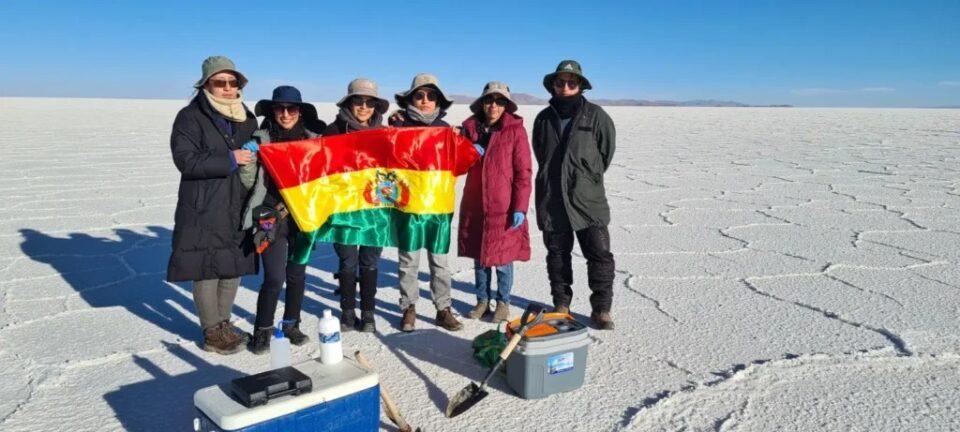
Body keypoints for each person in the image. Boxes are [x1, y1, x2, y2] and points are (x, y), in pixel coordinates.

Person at [167, 56, 258, 354]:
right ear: (206, 84)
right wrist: (230, 159)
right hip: (204, 204)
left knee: (232, 266)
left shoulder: (246, 117)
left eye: (234, 83)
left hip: (237, 202)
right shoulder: (190, 117)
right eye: (220, 83)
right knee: (207, 267)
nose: (228, 89)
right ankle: (211, 330)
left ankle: (224, 323)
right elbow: (186, 160)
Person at [531, 60, 617, 330]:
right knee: (557, 254)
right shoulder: (544, 118)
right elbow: (540, 153)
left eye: (572, 82)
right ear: (553, 86)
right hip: (552, 199)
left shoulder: (596, 116)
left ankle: (601, 309)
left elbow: (605, 153)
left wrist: (583, 177)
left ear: (580, 86)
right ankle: (561, 303)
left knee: (600, 254)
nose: (565, 87)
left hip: (587, 199)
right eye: (560, 82)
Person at [243, 85, 326, 354]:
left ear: (300, 112)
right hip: (271, 216)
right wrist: (248, 158)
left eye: (292, 108)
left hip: (302, 218)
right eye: (280, 109)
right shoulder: (262, 139)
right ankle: (262, 330)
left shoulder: (313, 140)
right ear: (273, 111)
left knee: (297, 274)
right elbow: (248, 180)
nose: (286, 114)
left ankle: (291, 324)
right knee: (275, 277)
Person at [389, 73, 463, 332]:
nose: (425, 101)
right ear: (410, 99)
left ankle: (443, 309)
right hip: (409, 208)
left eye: (431, 96)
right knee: (408, 261)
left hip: (438, 208)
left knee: (440, 263)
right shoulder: (397, 129)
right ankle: (408, 307)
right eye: (419, 95)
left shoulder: (446, 131)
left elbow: (461, 162)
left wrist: (467, 145)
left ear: (438, 101)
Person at [458, 82, 532, 322]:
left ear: (506, 106)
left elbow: (524, 172)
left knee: (502, 259)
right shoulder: (469, 129)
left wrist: (519, 206)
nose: (494, 106)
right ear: (482, 103)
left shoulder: (515, 131)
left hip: (504, 206)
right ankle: (481, 301)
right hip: (476, 203)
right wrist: (468, 150)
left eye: (500, 102)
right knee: (480, 258)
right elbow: (454, 160)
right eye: (490, 100)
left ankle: (503, 302)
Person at [324, 78, 390, 333]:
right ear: (349, 102)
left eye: (369, 102)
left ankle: (368, 312)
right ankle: (348, 312)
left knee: (370, 261)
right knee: (348, 261)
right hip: (345, 208)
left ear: (376, 106)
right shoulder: (333, 132)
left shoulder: (385, 134)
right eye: (358, 101)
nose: (363, 107)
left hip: (375, 207)